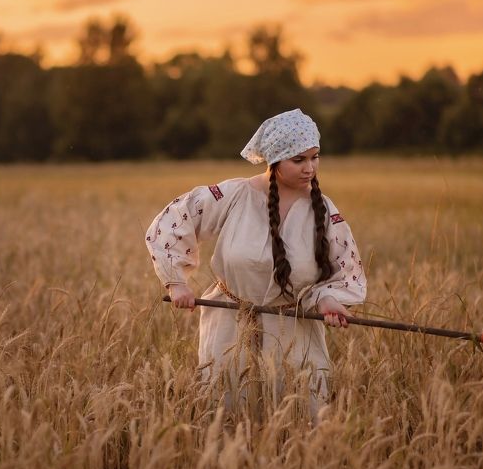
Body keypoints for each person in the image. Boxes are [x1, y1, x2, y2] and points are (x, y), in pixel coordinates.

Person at [145, 109, 367, 419]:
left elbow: (346, 267)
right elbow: (171, 222)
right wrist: (176, 281)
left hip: (294, 331)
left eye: (315, 157)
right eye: (299, 160)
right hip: (229, 329)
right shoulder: (234, 194)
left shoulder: (324, 210)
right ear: (274, 159)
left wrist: (329, 298)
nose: (310, 168)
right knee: (229, 417)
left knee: (299, 419)